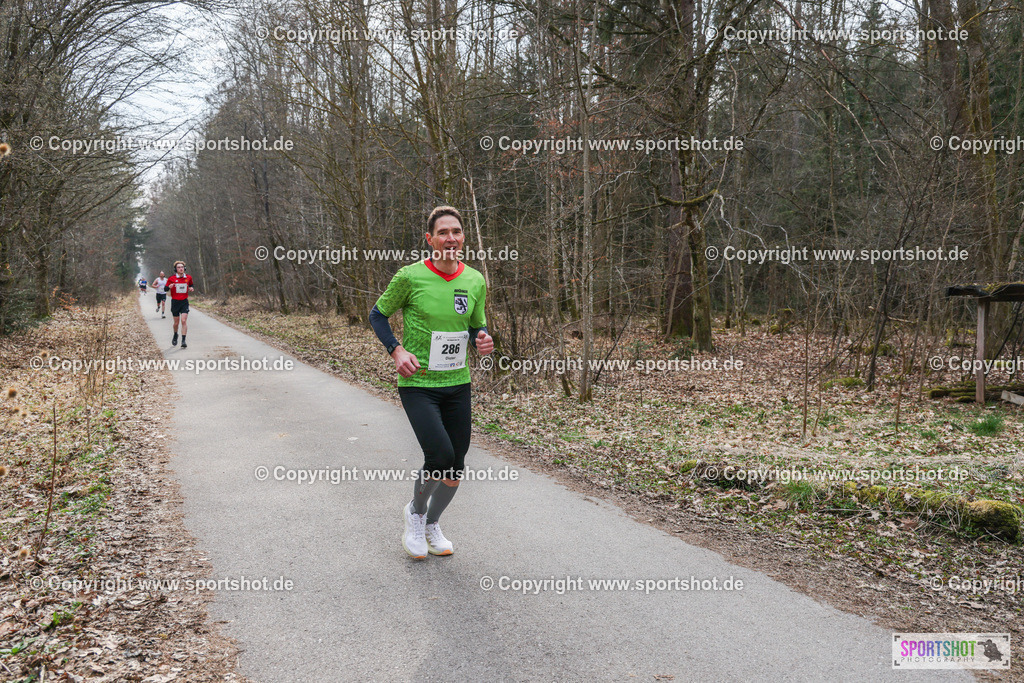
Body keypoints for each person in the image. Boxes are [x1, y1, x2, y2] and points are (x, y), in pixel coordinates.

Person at [369, 206, 493, 560]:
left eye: (456, 231)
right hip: (418, 384)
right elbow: (378, 314)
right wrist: (396, 350)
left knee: (456, 465)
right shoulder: (410, 277)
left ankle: (432, 523)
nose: (450, 238)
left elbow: (475, 325)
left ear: (463, 237)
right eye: (443, 233)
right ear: (430, 239)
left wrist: (483, 338)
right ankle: (415, 514)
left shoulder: (474, 280)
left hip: (458, 382)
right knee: (439, 456)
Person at [165, 261, 194, 348]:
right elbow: (165, 288)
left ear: (184, 268)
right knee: (176, 323)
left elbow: (191, 285)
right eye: (179, 267)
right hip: (175, 302)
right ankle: (175, 334)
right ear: (176, 269)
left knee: (183, 321)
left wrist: (191, 288)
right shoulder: (171, 278)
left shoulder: (188, 277)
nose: (181, 268)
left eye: (182, 267)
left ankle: (183, 340)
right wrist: (169, 287)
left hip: (184, 302)